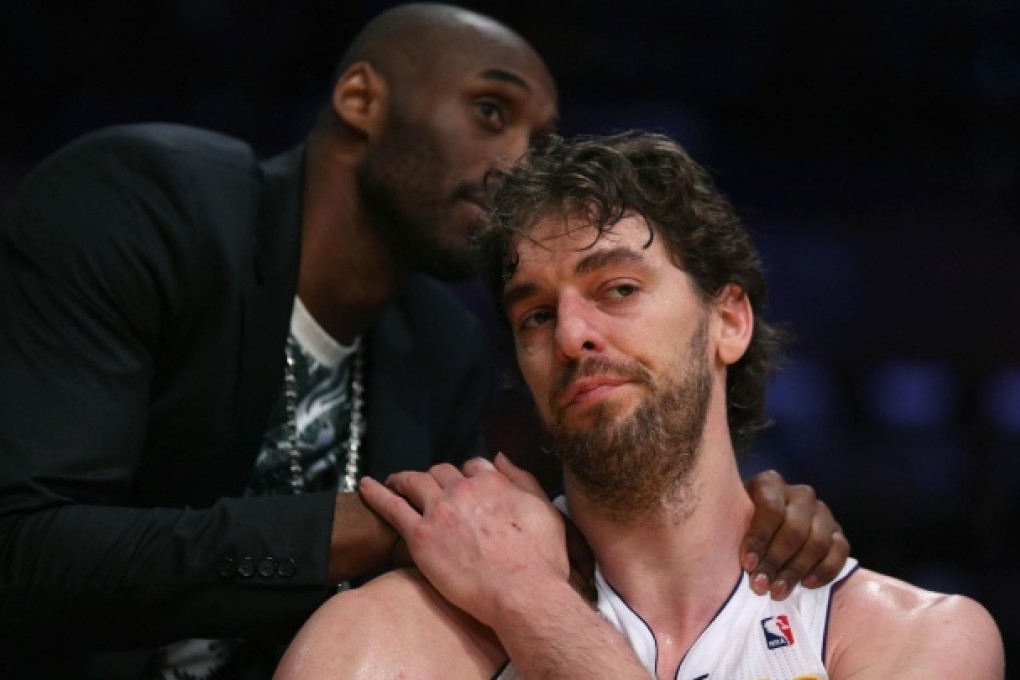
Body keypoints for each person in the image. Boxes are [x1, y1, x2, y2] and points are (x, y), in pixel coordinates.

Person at [0, 5, 846, 678]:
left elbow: (483, 562)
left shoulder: (442, 347)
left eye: (539, 141)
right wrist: (388, 525)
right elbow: (22, 551)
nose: (518, 165)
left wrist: (733, 526)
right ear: (362, 100)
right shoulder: (145, 206)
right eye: (490, 111)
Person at [278, 131, 1005, 679]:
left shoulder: (919, 640)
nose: (570, 335)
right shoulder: (380, 644)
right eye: (533, 314)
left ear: (729, 321)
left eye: (617, 289)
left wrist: (530, 603)